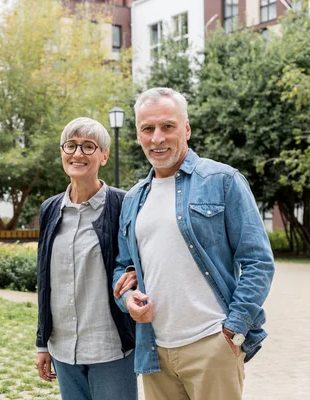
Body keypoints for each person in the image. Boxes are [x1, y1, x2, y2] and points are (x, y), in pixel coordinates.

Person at [112, 87, 275, 400]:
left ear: (186, 128)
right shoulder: (133, 199)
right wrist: (128, 299)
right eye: (148, 128)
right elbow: (123, 266)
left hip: (212, 344)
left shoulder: (222, 180)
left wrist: (233, 328)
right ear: (138, 134)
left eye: (167, 126)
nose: (157, 138)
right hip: (155, 350)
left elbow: (258, 261)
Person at [35, 117, 138, 399]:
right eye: (71, 145)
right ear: (62, 152)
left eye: (89, 146)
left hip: (111, 346)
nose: (78, 153)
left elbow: (142, 257)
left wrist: (138, 273)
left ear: (104, 156)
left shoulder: (123, 204)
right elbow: (45, 280)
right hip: (63, 348)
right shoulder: (50, 209)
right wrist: (42, 344)